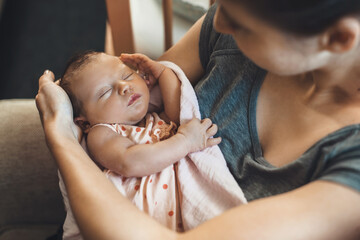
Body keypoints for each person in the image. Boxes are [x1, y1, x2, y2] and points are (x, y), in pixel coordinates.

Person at [36, 0, 360, 239]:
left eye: (240, 22)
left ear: (339, 39)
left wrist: (62, 136)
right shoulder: (230, 36)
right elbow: (144, 109)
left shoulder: (350, 163)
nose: (216, 21)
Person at [57, 51, 224, 235]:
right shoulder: (102, 133)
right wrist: (184, 141)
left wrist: (162, 72)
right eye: (104, 93)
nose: (124, 87)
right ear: (84, 123)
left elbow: (181, 113)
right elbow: (129, 161)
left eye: (127, 75)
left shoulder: (156, 120)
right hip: (142, 223)